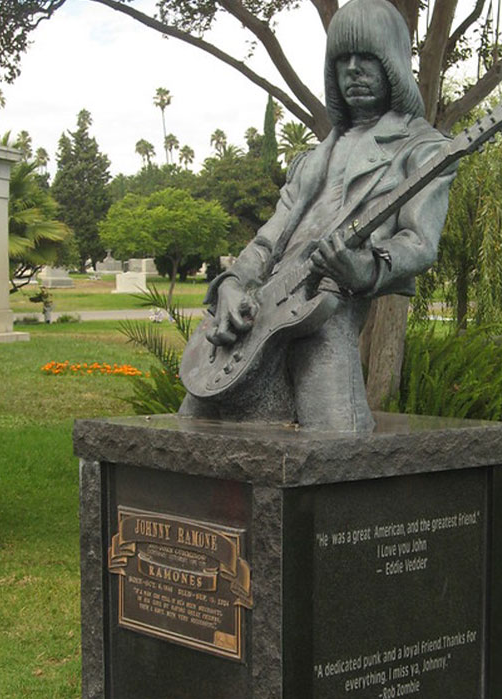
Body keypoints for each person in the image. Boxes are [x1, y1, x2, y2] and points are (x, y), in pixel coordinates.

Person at [179, 0, 455, 431]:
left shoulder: (423, 150)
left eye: (368, 57)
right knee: (191, 432)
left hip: (327, 316)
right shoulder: (311, 160)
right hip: (255, 321)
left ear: (394, 63)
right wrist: (232, 284)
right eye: (343, 59)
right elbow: (267, 242)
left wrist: (362, 268)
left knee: (334, 452)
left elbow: (418, 244)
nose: (354, 70)